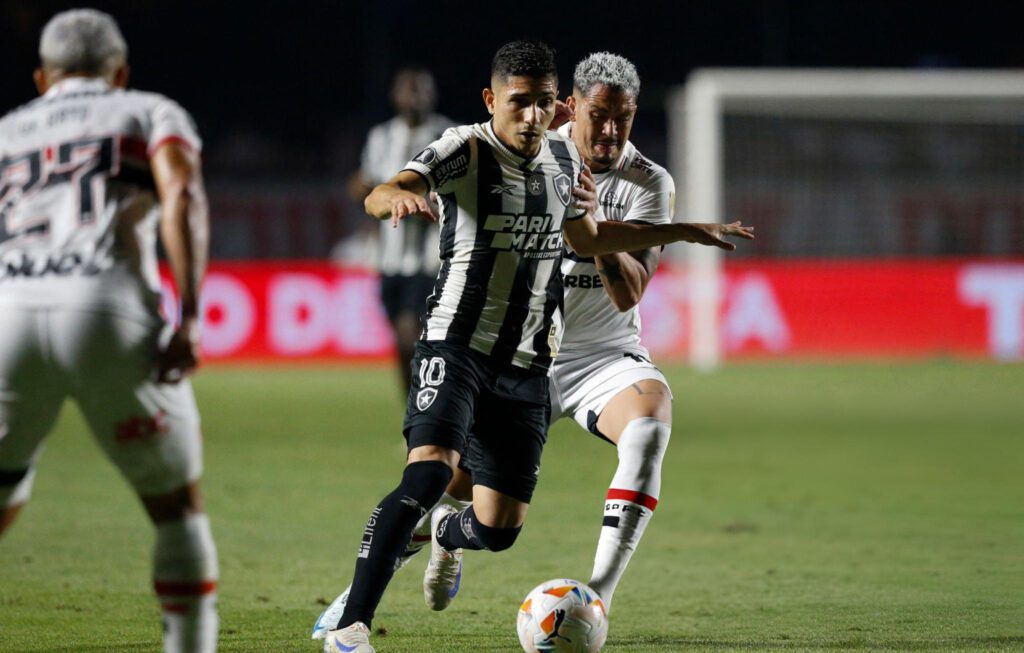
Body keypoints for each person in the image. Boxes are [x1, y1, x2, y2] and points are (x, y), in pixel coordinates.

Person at [320, 40, 752, 653]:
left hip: (594, 355)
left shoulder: (640, 179)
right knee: (440, 480)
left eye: (622, 118)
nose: (608, 130)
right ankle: (351, 612)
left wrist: (670, 229)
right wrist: (395, 195)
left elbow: (626, 286)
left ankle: (593, 598)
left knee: (630, 440)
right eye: (596, 115)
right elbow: (398, 183)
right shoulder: (502, 149)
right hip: (497, 345)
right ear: (568, 109)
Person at [0, 10, 218, 653]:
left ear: (43, 78)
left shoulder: (8, 128)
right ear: (120, 72)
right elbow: (182, 195)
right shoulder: (149, 110)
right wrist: (192, 313)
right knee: (176, 508)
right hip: (107, 308)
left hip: (9, 313)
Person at [348, 68, 456, 394]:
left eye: (421, 91)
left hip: (430, 259)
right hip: (389, 259)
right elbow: (365, 184)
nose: (415, 98)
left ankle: (432, 411)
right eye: (409, 91)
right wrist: (366, 191)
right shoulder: (381, 137)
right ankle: (413, 412)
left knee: (411, 333)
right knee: (400, 342)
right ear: (396, 96)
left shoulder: (447, 135)